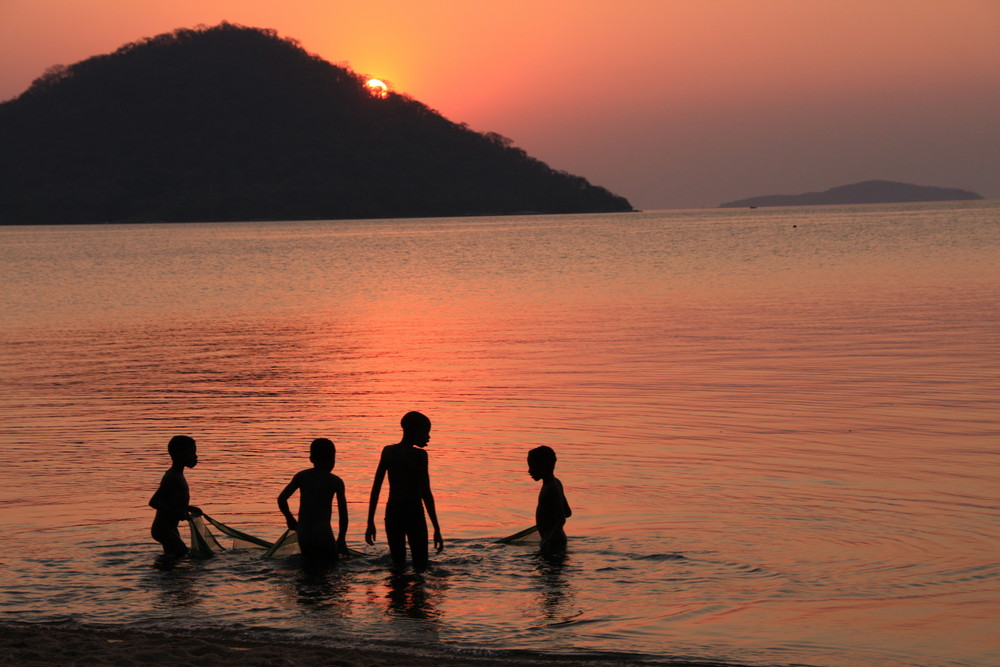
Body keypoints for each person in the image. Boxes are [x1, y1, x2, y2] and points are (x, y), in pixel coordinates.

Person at [365, 411, 443, 571]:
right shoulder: (420, 455)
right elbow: (426, 493)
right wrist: (437, 528)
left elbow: (376, 489)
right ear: (415, 431)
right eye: (426, 432)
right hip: (414, 514)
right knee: (421, 566)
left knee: (398, 564)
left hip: (393, 513)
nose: (428, 437)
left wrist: (370, 521)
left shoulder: (388, 451)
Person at [277, 438, 348, 563]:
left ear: (311, 458)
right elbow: (343, 515)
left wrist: (289, 518)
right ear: (332, 460)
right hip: (323, 533)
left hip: (304, 533)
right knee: (330, 565)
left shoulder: (301, 476)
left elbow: (282, 499)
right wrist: (341, 539)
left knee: (308, 566)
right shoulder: (335, 481)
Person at [149, 435, 201, 557]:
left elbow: (173, 501)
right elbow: (154, 502)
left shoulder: (178, 475)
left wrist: (188, 508)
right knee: (182, 553)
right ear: (180, 455)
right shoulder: (172, 477)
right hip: (163, 529)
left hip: (170, 528)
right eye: (192, 453)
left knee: (171, 560)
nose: (196, 457)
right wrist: (178, 512)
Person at [527, 446, 571, 556]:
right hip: (557, 540)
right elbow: (568, 512)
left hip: (552, 543)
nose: (529, 471)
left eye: (532, 466)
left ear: (543, 466)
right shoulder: (556, 483)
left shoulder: (550, 488)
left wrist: (547, 541)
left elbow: (561, 519)